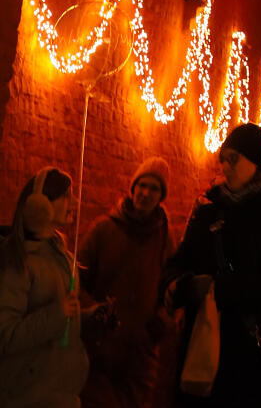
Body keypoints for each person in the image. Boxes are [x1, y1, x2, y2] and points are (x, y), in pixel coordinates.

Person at [163, 123, 261, 408]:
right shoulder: (209, 208)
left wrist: (216, 288)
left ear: (253, 161)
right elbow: (180, 260)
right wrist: (178, 284)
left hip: (249, 354)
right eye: (223, 157)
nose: (225, 164)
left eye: (233, 157)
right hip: (202, 350)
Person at [78, 155, 172, 408]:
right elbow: (75, 280)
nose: (145, 193)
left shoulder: (163, 237)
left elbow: (171, 285)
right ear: (132, 188)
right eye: (142, 185)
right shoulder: (103, 230)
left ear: (161, 196)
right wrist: (97, 312)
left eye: (154, 188)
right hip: (102, 348)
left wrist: (160, 321)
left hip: (141, 353)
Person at [0, 165, 89, 407]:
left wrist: (89, 319)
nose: (76, 202)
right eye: (67, 196)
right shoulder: (18, 262)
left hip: (59, 393)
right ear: (42, 204)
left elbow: (63, 320)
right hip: (26, 397)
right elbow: (6, 336)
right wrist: (58, 314)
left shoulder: (60, 254)